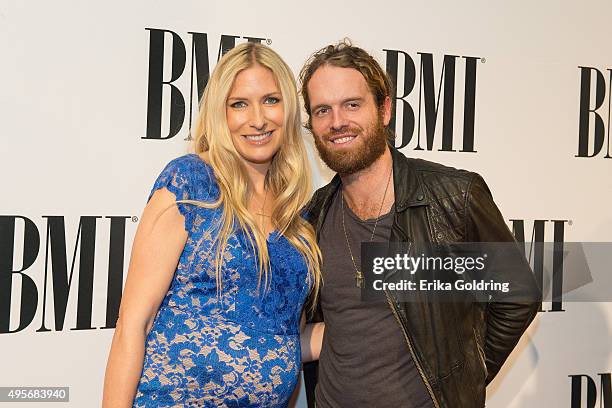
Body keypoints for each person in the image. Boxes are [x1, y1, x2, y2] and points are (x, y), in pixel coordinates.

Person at [299, 41, 540, 408]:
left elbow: (517, 297)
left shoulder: (452, 198)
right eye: (322, 110)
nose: (337, 122)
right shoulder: (315, 215)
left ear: (384, 110)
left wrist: (459, 379)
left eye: (352, 104)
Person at [102, 42, 324, 407]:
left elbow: (281, 339)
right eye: (239, 104)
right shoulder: (191, 183)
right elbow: (133, 325)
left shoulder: (296, 217)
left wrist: (369, 332)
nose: (258, 119)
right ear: (220, 113)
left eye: (271, 100)